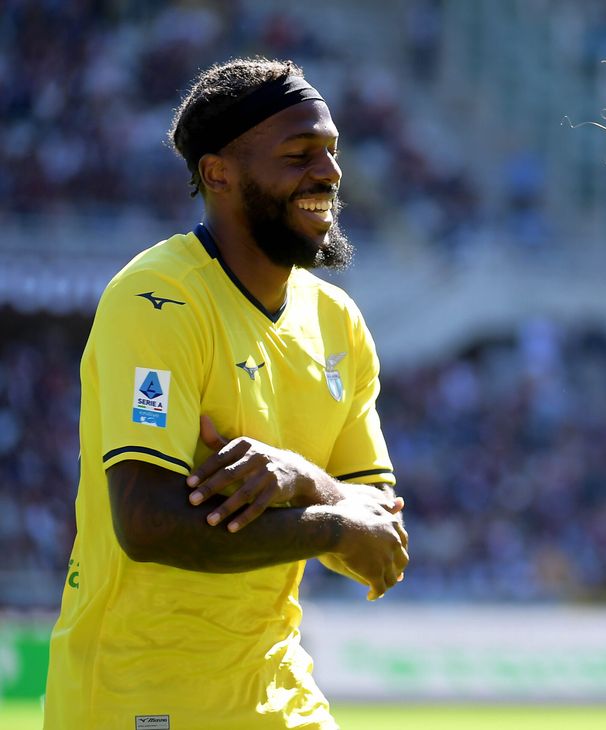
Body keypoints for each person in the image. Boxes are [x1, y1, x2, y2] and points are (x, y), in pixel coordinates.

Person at [43, 58, 409, 729]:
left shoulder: (338, 324)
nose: (328, 174)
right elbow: (148, 523)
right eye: (299, 154)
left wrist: (303, 480)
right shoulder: (158, 299)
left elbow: (382, 543)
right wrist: (332, 519)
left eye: (331, 152)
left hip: (280, 696)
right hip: (141, 700)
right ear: (219, 174)